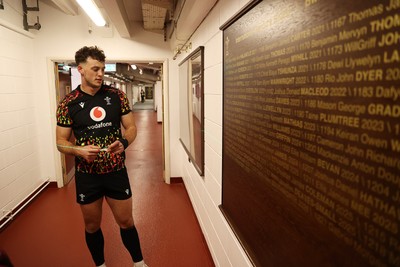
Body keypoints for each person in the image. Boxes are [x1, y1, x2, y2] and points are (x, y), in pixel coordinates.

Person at [56, 46, 148, 267]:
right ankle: (100, 265)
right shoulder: (68, 103)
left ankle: (139, 263)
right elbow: (61, 142)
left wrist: (124, 142)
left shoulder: (117, 96)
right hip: (88, 175)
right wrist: (79, 150)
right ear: (80, 69)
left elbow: (132, 127)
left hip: (116, 170)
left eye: (102, 69)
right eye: (95, 69)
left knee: (126, 221)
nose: (100, 74)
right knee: (91, 225)